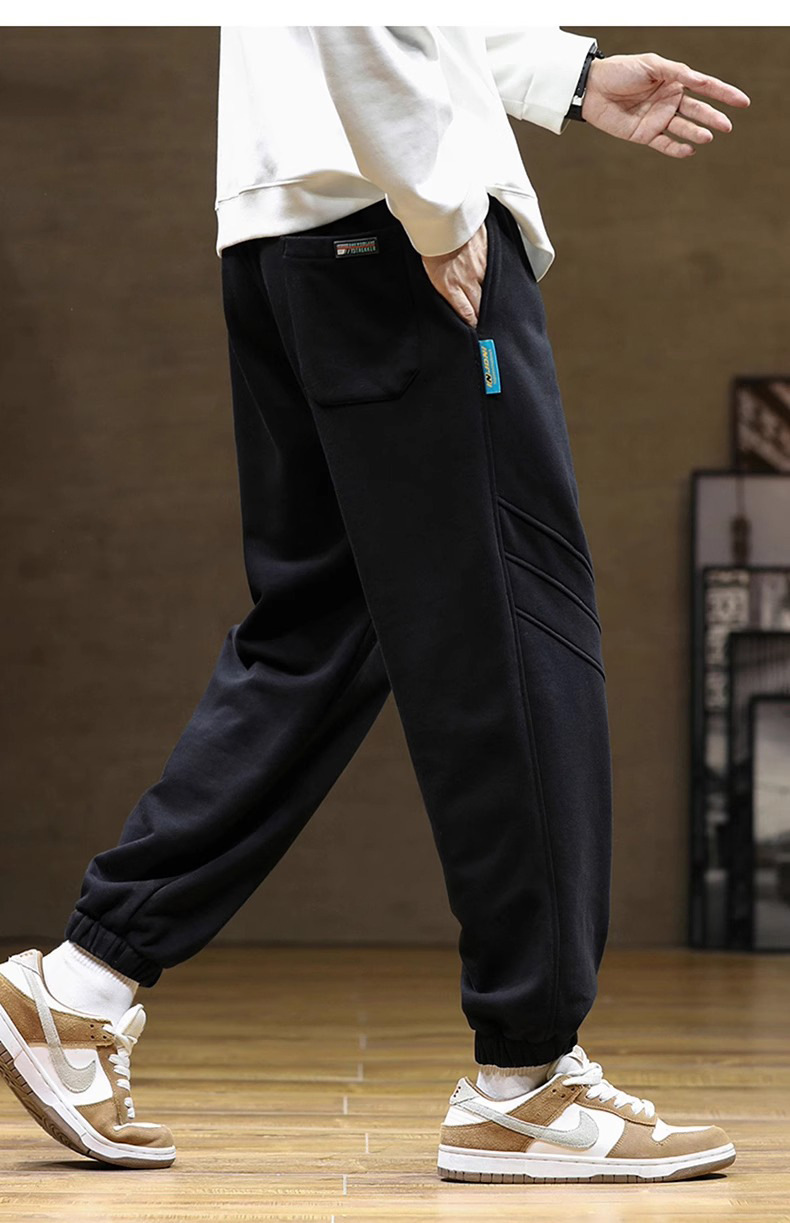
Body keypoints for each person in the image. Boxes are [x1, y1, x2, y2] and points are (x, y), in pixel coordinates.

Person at [0, 26, 749, 1183]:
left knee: (322, 630)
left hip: (295, 238)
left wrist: (566, 76)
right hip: (392, 232)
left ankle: (80, 987)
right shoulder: (421, 210)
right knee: (515, 631)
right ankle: (527, 1078)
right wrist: (440, 203)